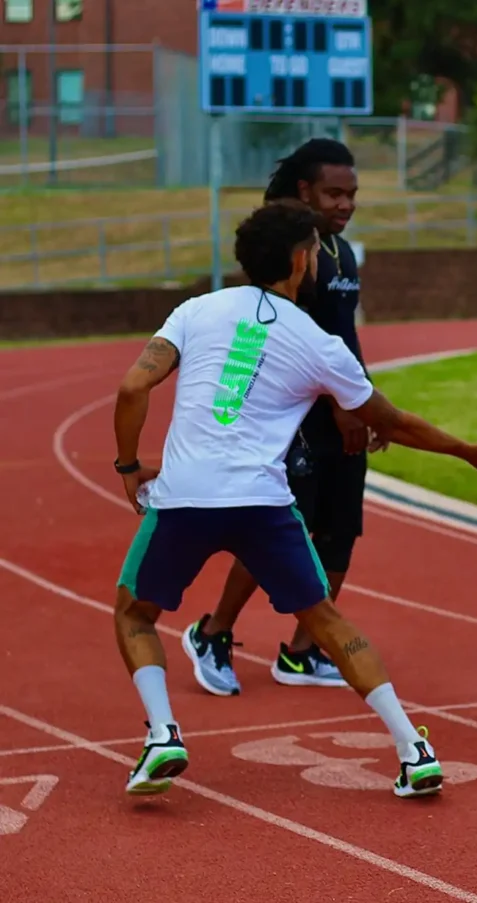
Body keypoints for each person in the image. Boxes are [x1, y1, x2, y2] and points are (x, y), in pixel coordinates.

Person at [113, 199, 477, 797]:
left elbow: (132, 386)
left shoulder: (194, 311)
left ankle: (164, 735)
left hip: (185, 498)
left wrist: (127, 465)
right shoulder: (322, 343)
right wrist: (467, 452)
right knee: (324, 620)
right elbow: (393, 420)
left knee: (133, 613)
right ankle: (413, 749)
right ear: (301, 260)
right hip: (262, 503)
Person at [181, 138, 373, 696]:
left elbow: (345, 340)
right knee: (276, 534)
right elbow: (269, 341)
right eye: (335, 193)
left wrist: (364, 403)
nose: (346, 204)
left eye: (353, 194)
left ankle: (303, 652)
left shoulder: (343, 255)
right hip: (296, 424)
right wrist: (340, 408)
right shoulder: (282, 261)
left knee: (340, 535)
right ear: (304, 191)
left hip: (342, 419)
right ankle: (214, 631)